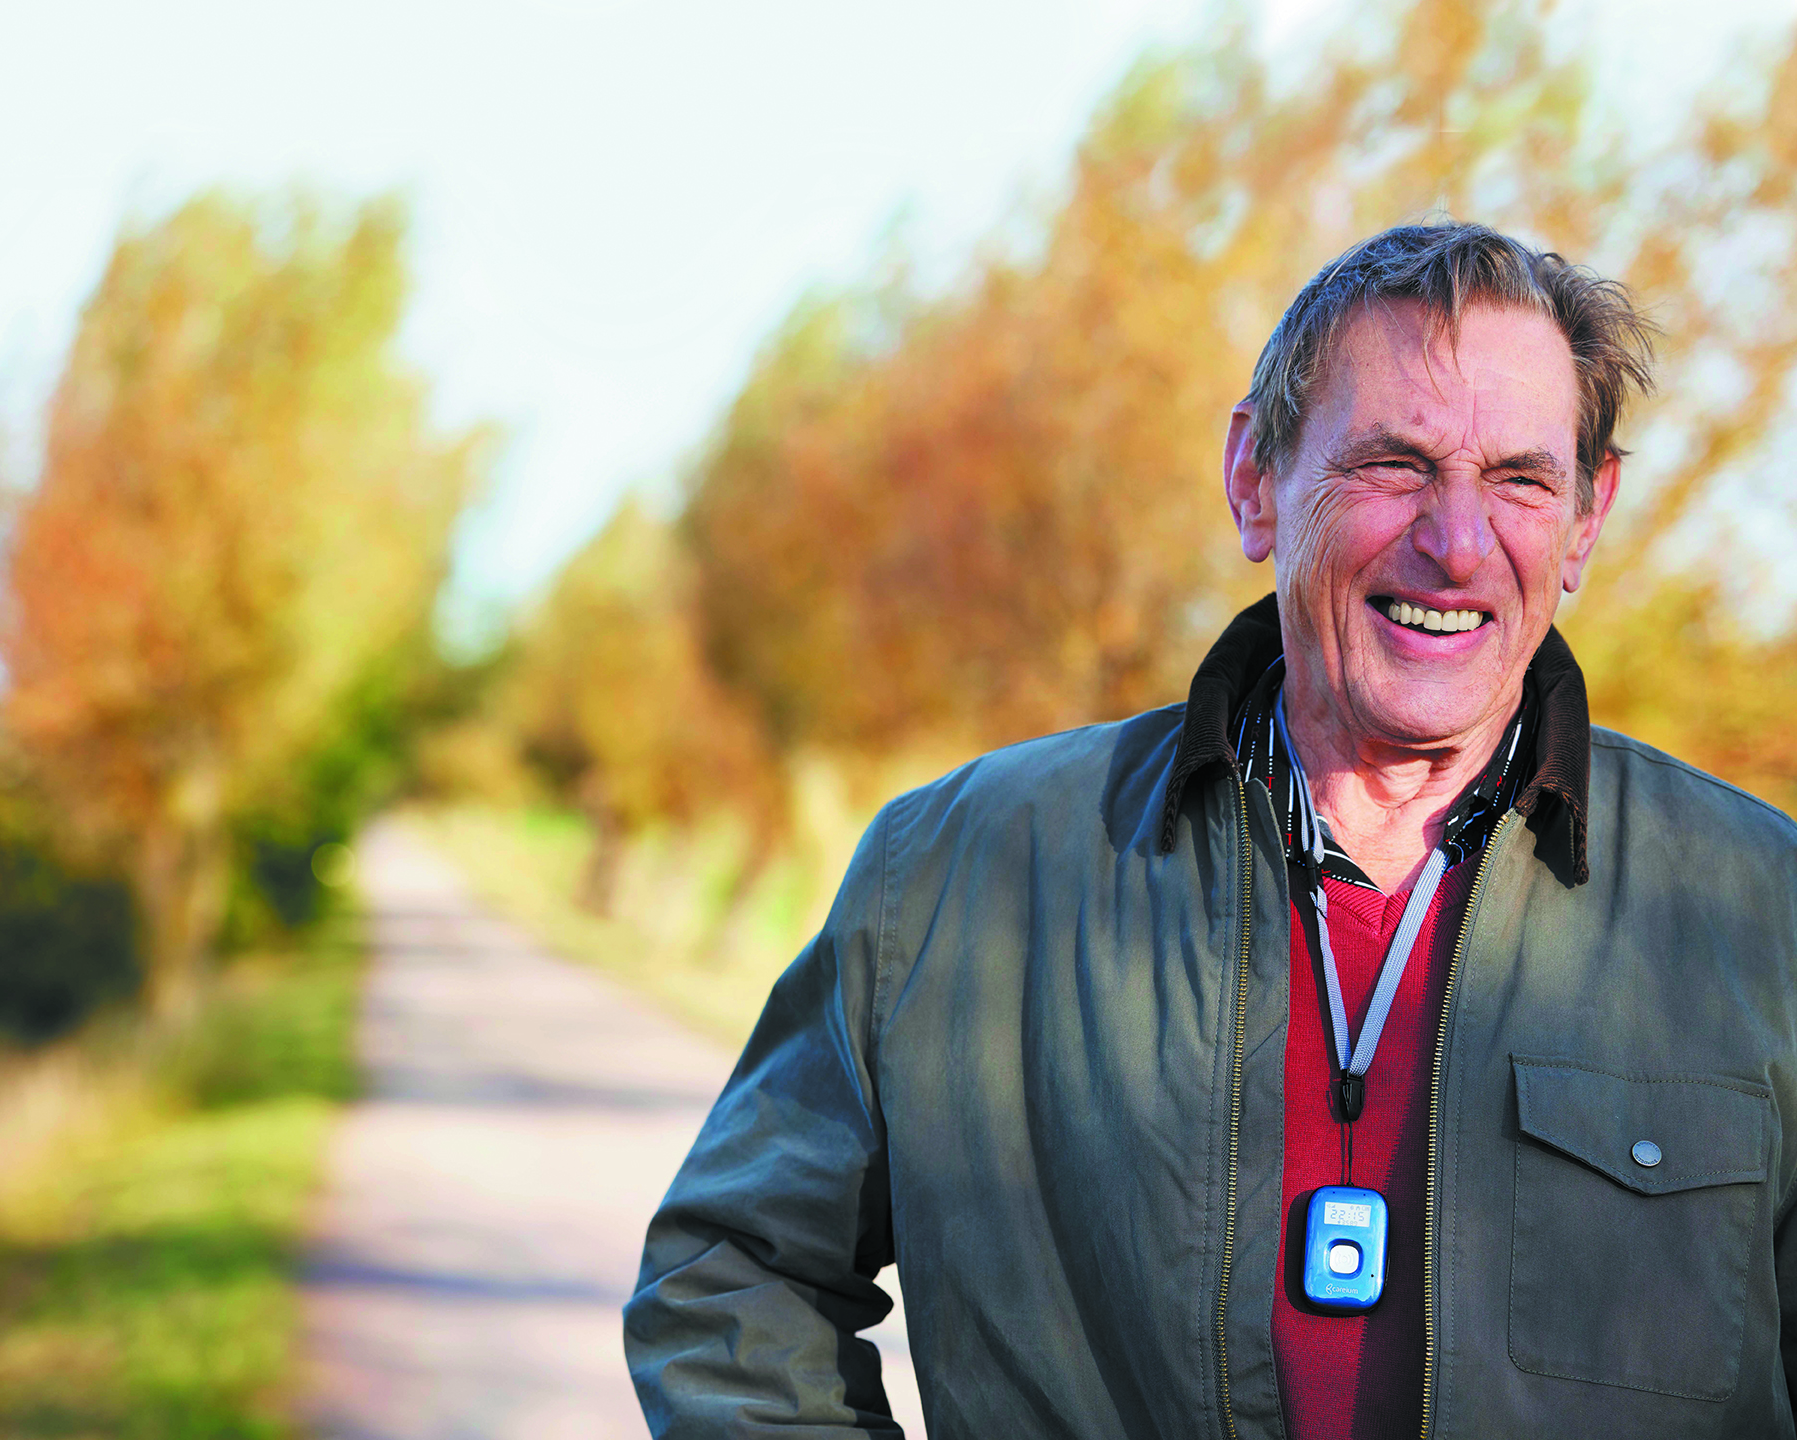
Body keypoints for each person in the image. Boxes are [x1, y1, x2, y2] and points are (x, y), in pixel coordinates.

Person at [623, 221, 1797, 1438]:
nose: (1456, 544)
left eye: (1518, 479)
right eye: (1393, 464)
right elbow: (730, 1283)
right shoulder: (960, 877)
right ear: (1255, 480)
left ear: (1585, 520)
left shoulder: (1762, 916)